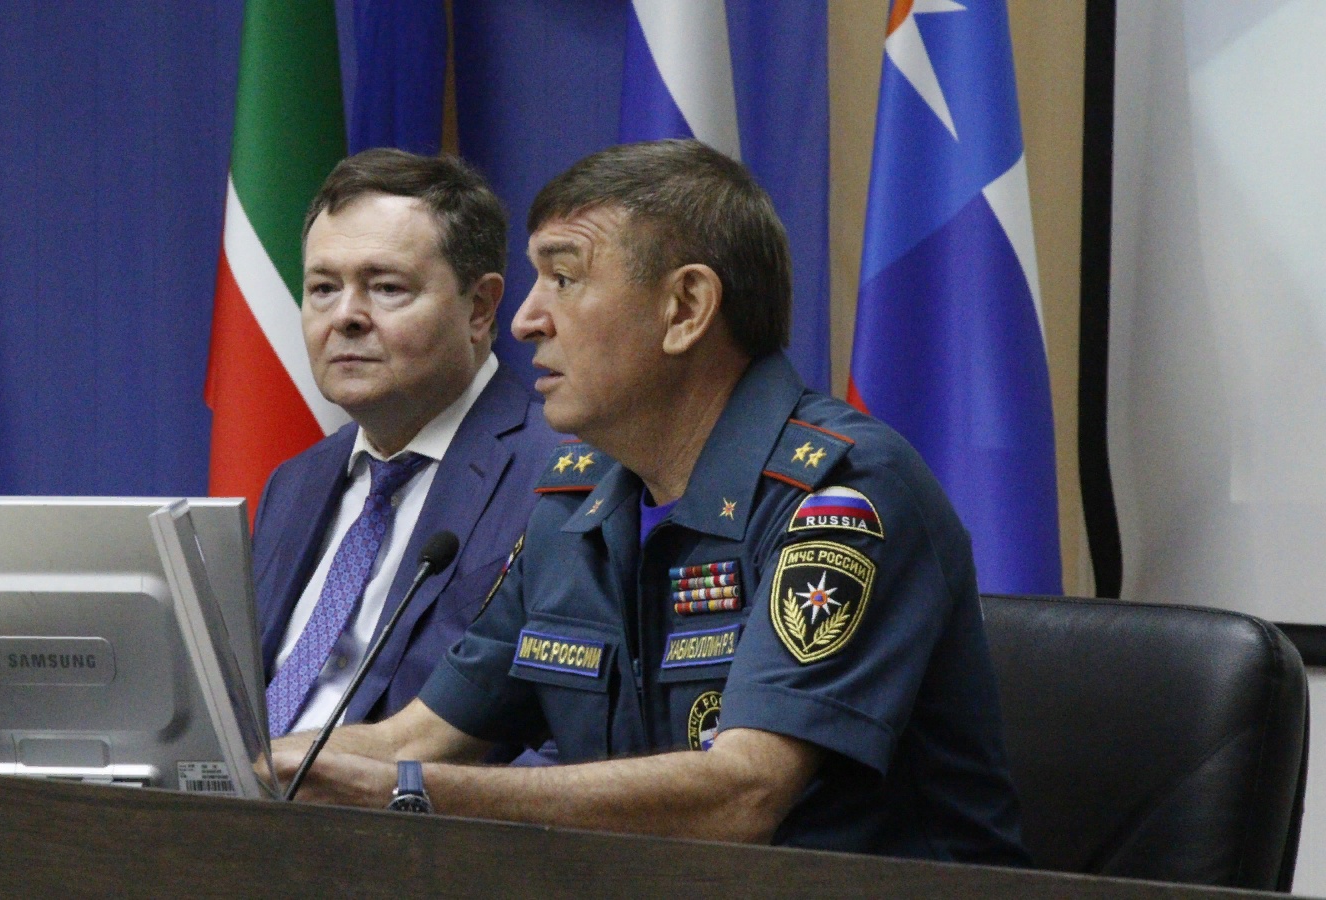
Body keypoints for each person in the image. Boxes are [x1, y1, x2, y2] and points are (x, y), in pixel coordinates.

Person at [267, 140, 1028, 865]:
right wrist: (233, 767)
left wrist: (411, 794)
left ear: (685, 308)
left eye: (564, 279)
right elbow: (415, 739)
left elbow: (743, 794)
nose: (525, 321)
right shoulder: (574, 506)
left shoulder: (846, 492)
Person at [251, 149, 560, 737]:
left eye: (386, 287)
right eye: (323, 288)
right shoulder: (294, 483)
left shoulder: (558, 474)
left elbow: (569, 738)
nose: (345, 316)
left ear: (479, 308)